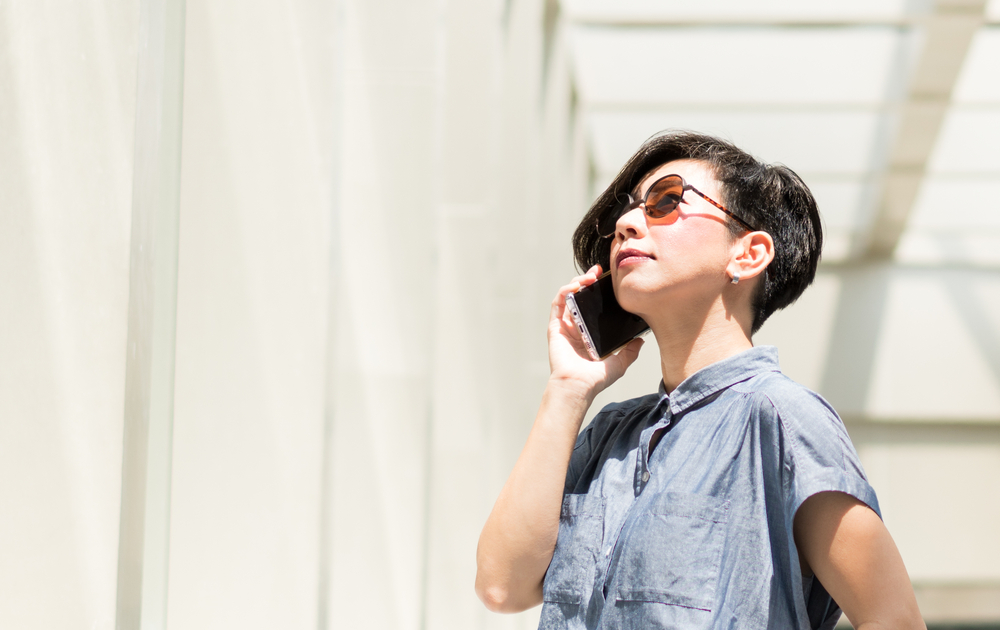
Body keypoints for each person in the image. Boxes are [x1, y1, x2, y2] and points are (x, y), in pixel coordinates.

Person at [474, 131, 925, 629]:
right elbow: (501, 586)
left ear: (748, 254)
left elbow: (894, 620)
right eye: (624, 214)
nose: (625, 224)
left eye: (665, 202)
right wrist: (568, 388)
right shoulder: (609, 434)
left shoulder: (780, 419)